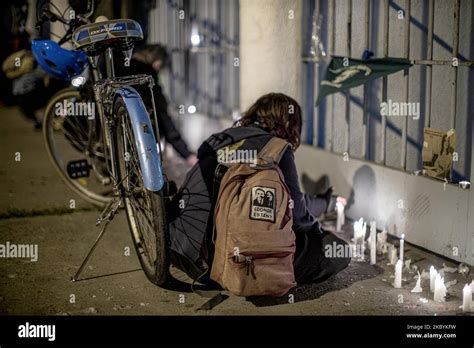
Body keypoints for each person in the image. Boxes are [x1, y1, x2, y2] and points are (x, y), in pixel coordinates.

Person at [192, 93, 350, 284]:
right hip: (242, 257)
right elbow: (297, 215)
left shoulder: (219, 141)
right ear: (288, 123)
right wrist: (318, 232)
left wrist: (325, 203)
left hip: (200, 255)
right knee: (336, 249)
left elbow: (289, 200)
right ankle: (260, 275)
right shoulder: (276, 149)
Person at [114, 44, 197, 166]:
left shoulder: (126, 66)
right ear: (157, 61)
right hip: (144, 132)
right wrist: (187, 154)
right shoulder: (148, 73)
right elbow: (163, 117)